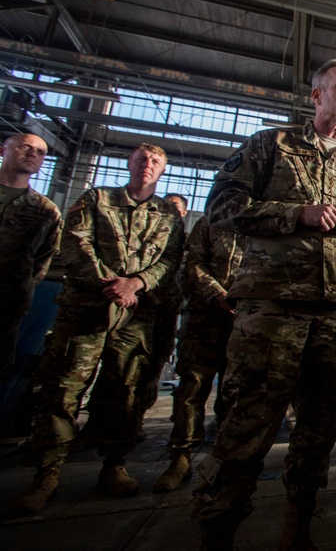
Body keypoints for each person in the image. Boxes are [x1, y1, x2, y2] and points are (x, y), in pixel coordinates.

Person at [190, 59, 336, 550]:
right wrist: (298, 214)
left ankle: (297, 531)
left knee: (317, 433)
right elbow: (221, 209)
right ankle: (217, 532)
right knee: (247, 426)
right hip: (272, 312)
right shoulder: (270, 145)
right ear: (316, 96)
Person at [13, 143, 185, 514]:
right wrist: (111, 283)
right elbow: (75, 243)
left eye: (155, 161)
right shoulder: (95, 198)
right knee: (63, 390)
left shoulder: (169, 215)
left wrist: (136, 284)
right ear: (129, 162)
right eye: (141, 158)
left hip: (136, 315)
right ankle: (46, 474)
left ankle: (114, 465)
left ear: (162, 170)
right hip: (87, 310)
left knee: (124, 390)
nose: (147, 165)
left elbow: (171, 260)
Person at [153, 215, 245, 492]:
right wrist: (217, 293)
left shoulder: (272, 219)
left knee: (237, 391)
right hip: (205, 317)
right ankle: (181, 457)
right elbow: (192, 263)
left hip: (246, 319)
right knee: (192, 388)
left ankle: (223, 456)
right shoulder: (212, 221)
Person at [0, 132, 61, 374]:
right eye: (25, 147)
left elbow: (40, 263)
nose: (32, 154)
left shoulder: (46, 211)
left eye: (40, 152)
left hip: (5, 310)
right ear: (3, 150)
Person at [137, 192, 189, 441]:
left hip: (167, 307)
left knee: (154, 365)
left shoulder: (185, 238)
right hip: (136, 303)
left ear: (184, 212)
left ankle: (135, 418)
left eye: (175, 207)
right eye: (165, 205)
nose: (168, 209)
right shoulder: (144, 230)